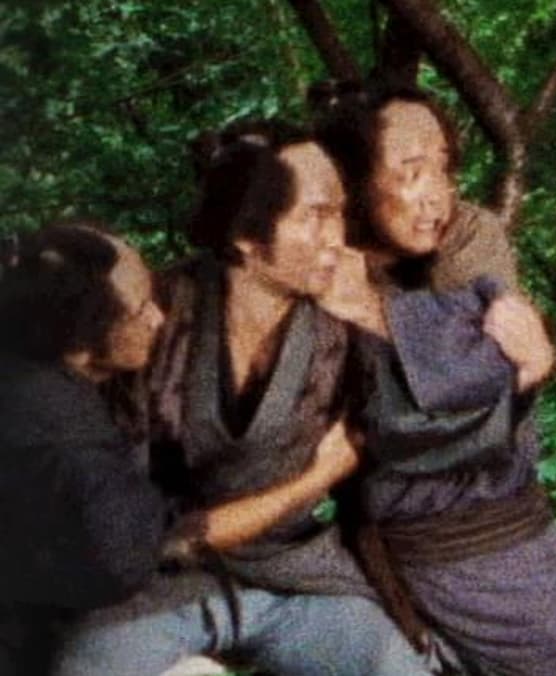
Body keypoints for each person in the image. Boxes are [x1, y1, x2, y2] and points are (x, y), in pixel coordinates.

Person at [52, 122, 432, 676]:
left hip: (297, 576)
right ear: (247, 238)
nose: (338, 237)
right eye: (315, 215)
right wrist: (314, 478)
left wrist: (375, 317)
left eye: (340, 212)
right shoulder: (155, 316)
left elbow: (434, 421)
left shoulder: (354, 311)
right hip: (160, 583)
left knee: (393, 667)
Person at [315, 81, 556, 675]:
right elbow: (385, 429)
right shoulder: (316, 264)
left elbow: (483, 367)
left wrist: (374, 313)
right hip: (403, 550)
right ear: (351, 184)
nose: (438, 193)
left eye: (445, 168)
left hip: (508, 541)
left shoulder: (467, 231)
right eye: (411, 172)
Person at [0, 224, 173, 675]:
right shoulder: (72, 437)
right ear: (82, 334)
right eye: (141, 309)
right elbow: (123, 563)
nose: (158, 319)